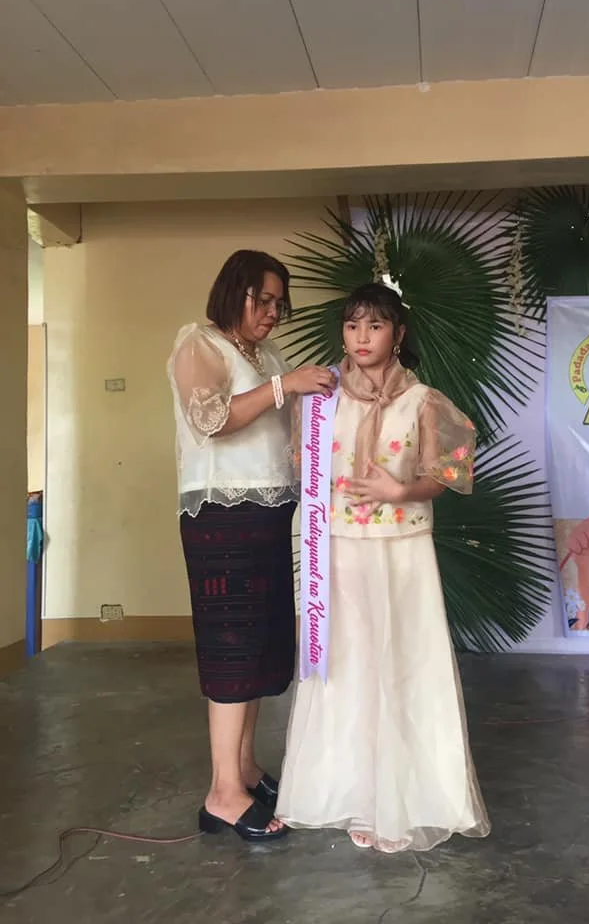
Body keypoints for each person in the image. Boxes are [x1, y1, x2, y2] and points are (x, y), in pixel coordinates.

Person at [277, 280, 491, 852]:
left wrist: (400, 491)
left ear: (398, 333)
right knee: (348, 666)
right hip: (339, 550)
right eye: (352, 325)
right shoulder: (320, 399)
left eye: (374, 325)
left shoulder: (424, 401)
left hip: (401, 551)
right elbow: (303, 468)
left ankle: (408, 800)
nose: (361, 337)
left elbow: (449, 474)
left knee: (403, 664)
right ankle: (351, 794)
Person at [167, 249, 335, 843]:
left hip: (268, 513)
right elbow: (210, 419)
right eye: (262, 300)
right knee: (231, 648)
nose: (271, 313)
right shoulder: (200, 343)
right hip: (221, 515)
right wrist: (285, 386)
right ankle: (221, 794)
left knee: (261, 646)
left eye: (278, 304)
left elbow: (286, 432)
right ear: (233, 291)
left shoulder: (269, 356)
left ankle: (243, 769)